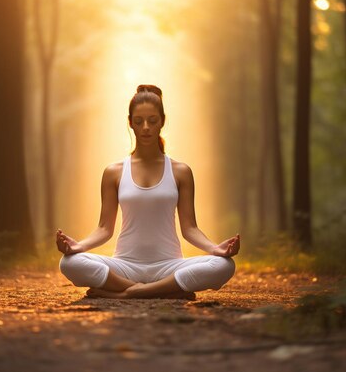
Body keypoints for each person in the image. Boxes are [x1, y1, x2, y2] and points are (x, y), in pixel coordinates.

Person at [56, 84, 240, 299]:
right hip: (125, 266)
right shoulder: (113, 172)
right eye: (138, 121)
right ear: (130, 123)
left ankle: (128, 293)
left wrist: (215, 249)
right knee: (69, 262)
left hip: (169, 266)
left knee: (224, 265)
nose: (145, 127)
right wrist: (78, 246)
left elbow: (189, 228)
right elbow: (104, 228)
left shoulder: (181, 171)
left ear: (162, 121)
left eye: (152, 121)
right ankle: (167, 291)